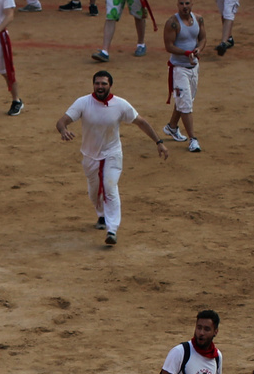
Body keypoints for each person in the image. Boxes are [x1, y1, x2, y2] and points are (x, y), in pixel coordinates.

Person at [56, 70, 170, 246]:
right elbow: (61, 121)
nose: (100, 87)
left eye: (104, 83)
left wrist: (158, 141)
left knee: (109, 186)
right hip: (89, 155)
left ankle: (112, 229)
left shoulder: (120, 104)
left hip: (112, 153)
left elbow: (141, 122)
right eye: (97, 83)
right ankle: (101, 215)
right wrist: (63, 130)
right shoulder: (83, 102)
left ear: (110, 85)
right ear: (93, 85)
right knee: (94, 193)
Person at [159, 0, 202, 151]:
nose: (184, 6)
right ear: (177, 5)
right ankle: (193, 140)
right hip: (179, 69)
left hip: (194, 67)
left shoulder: (198, 19)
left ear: (192, 4)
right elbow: (169, 46)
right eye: (182, 4)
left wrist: (198, 49)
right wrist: (186, 53)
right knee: (186, 104)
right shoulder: (172, 23)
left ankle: (172, 126)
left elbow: (203, 38)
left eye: (187, 3)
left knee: (185, 100)